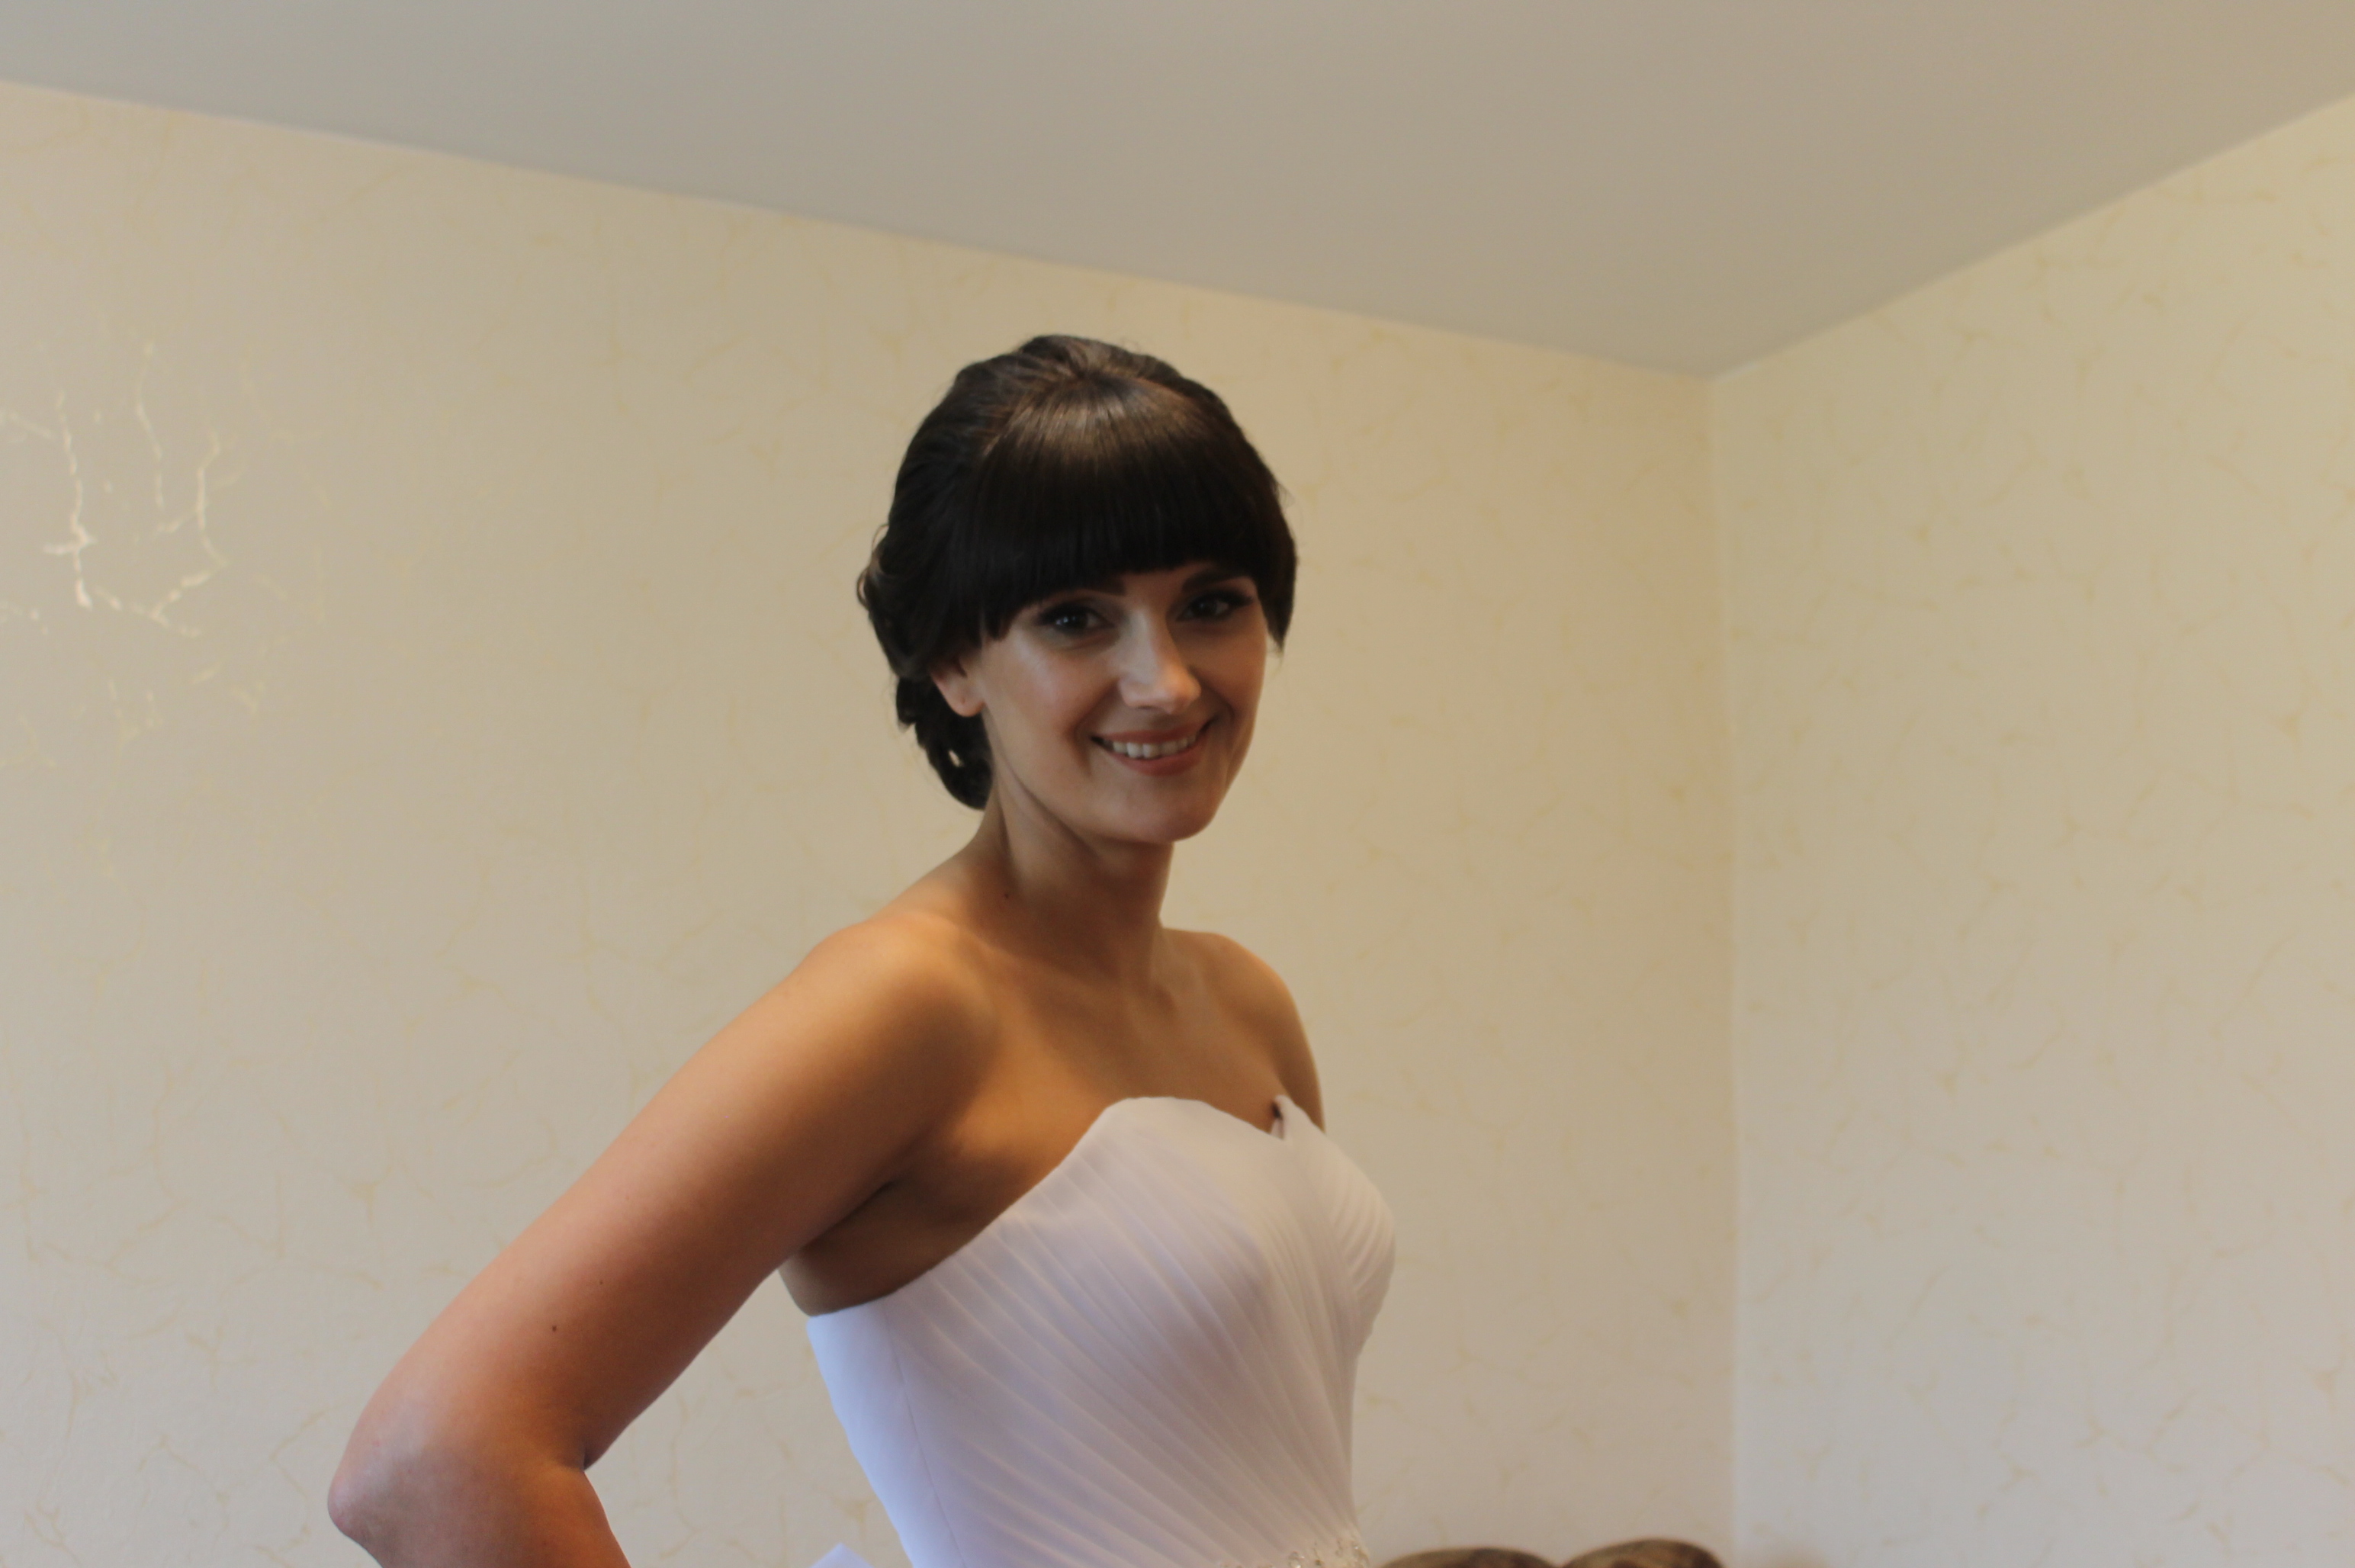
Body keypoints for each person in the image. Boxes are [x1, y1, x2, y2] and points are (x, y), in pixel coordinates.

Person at [330, 335, 1395, 1568]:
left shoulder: (1246, 1000)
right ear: (954, 662)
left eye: (1211, 604)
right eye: (1075, 618)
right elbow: (434, 1460)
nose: (1164, 682)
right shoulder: (904, 1003)